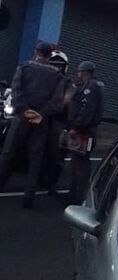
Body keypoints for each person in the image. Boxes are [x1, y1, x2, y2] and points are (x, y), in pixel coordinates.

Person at [0, 42, 65, 208]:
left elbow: (16, 90)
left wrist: (25, 110)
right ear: (50, 55)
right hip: (41, 121)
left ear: (36, 52)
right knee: (36, 159)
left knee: (8, 153)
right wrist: (41, 114)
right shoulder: (57, 74)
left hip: (21, 117)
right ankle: (29, 196)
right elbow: (57, 101)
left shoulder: (24, 67)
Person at [66, 60, 103, 204]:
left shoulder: (91, 87)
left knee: (80, 163)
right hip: (86, 130)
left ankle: (78, 197)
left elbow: (86, 109)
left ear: (85, 72)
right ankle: (74, 193)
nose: (78, 74)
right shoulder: (94, 85)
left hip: (85, 131)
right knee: (77, 161)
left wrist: (76, 127)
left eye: (80, 71)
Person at [40, 50, 72, 196]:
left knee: (56, 155)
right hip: (42, 120)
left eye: (60, 66)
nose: (57, 68)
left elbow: (66, 103)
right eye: (54, 65)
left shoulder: (67, 83)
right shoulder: (43, 80)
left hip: (59, 122)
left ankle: (52, 184)